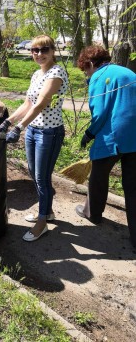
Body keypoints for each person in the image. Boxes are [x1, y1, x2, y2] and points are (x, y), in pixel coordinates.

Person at [0, 35, 68, 242]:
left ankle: (42, 222)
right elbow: (28, 104)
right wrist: (7, 121)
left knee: (41, 178)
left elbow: (41, 104)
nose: (39, 54)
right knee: (34, 173)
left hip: (50, 132)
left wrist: (18, 127)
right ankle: (48, 212)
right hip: (33, 131)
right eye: (34, 50)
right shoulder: (37, 74)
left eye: (44, 50)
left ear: (53, 51)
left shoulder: (56, 73)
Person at [75, 45, 136, 248]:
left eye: (86, 70)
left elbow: (100, 113)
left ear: (91, 64)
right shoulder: (127, 71)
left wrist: (89, 134)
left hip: (115, 135)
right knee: (133, 187)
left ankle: (92, 214)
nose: (87, 75)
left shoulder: (99, 77)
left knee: (99, 175)